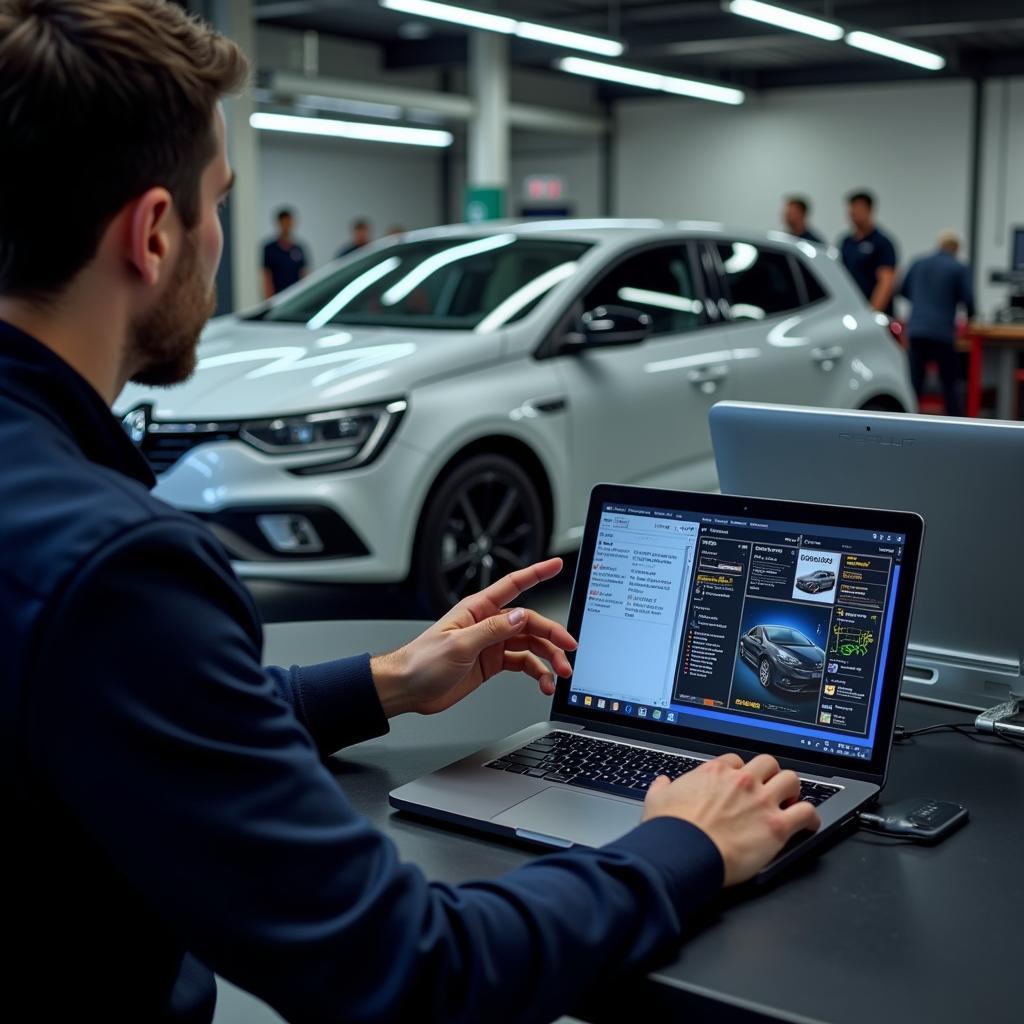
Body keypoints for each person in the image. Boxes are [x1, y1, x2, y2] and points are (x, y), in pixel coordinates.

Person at [0, 2, 818, 1021]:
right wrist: (682, 844)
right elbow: (413, 971)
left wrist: (382, 681)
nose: (221, 238)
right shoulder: (111, 567)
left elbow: (118, 717)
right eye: (220, 202)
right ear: (155, 233)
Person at [899, 231, 975, 417]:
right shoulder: (958, 268)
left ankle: (907, 420)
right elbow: (969, 301)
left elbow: (902, 291)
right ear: (956, 249)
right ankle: (955, 426)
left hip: (916, 331)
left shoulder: (918, 263)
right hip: (942, 333)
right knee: (949, 384)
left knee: (914, 383)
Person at [840, 190, 898, 313]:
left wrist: (873, 314)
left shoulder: (882, 243)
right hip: (851, 312)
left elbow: (886, 282)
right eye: (852, 209)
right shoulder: (846, 242)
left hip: (873, 313)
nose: (854, 213)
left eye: (859, 208)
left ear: (869, 210)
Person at [262, 206, 308, 298]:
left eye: (288, 223)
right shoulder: (270, 249)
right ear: (279, 224)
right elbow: (266, 275)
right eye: (284, 223)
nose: (286, 226)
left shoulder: (298, 249)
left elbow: (303, 274)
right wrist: (269, 299)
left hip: (296, 295)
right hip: (278, 296)